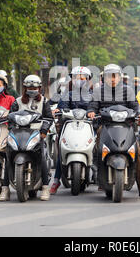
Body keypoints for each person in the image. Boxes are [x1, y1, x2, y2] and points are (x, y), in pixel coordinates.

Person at [87, 64, 140, 199]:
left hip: (126, 127)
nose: (112, 79)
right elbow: (92, 106)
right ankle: (100, 178)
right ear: (104, 78)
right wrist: (91, 113)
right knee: (97, 150)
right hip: (105, 126)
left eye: (115, 76)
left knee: (139, 154)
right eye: (109, 76)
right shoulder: (98, 91)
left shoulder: (128, 91)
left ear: (119, 77)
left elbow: (136, 106)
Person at [0, 75, 54, 201]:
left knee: (42, 157)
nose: (32, 89)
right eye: (29, 87)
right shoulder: (17, 102)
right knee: (8, 157)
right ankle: (5, 189)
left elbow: (49, 118)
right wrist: (12, 129)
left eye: (35, 87)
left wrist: (44, 131)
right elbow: (10, 118)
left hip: (37, 134)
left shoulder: (44, 102)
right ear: (25, 88)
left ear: (39, 88)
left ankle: (45, 187)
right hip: (18, 134)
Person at [50, 66, 93, 194]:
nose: (79, 80)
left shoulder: (93, 96)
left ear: (88, 79)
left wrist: (93, 113)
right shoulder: (67, 95)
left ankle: (100, 177)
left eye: (82, 77)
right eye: (76, 77)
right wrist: (57, 111)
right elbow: (61, 107)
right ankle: (56, 180)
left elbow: (96, 108)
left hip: (88, 127)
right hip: (69, 126)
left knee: (98, 148)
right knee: (63, 148)